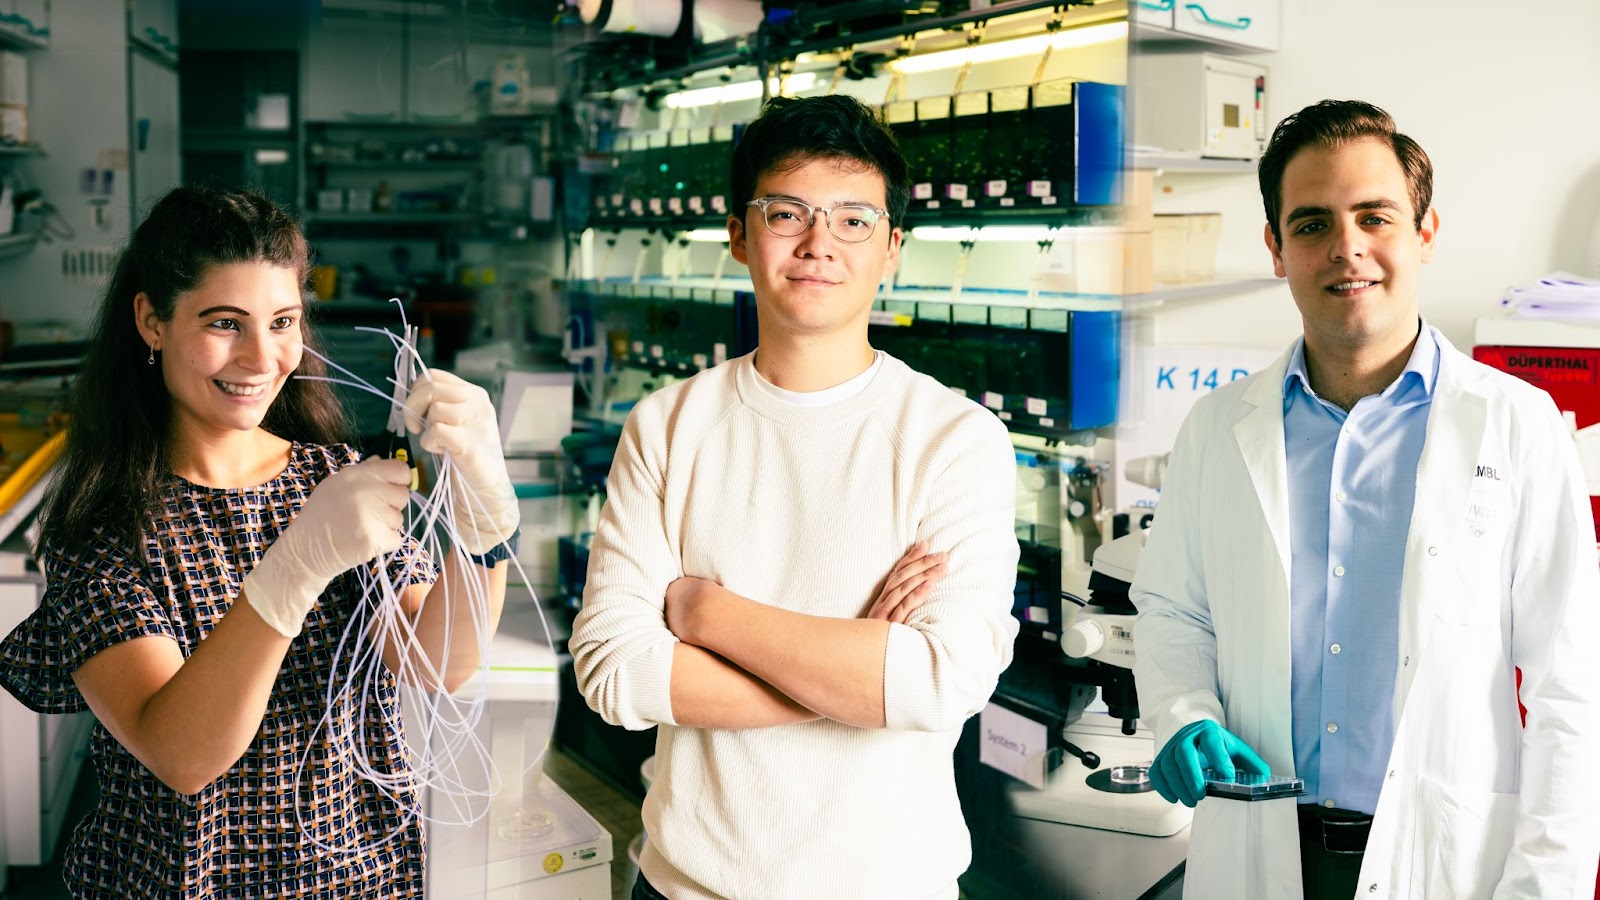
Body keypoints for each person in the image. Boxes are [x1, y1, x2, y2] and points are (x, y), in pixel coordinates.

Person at [1130, 99, 1600, 899]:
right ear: (1277, 250)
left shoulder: (1517, 425)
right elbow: (1175, 611)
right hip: (1256, 843)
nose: (1347, 249)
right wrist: (1183, 713)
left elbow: (1571, 686)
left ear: (1424, 231)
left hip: (1444, 857)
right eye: (1311, 224)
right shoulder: (1216, 429)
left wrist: (1545, 884)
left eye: (1374, 216)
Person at [0, 186, 522, 898]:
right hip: (181, 882)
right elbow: (181, 754)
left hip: (361, 876)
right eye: (225, 322)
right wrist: (292, 572)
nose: (260, 357)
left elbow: (436, 663)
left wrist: (484, 529)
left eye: (282, 322)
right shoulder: (105, 524)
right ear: (152, 321)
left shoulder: (332, 476)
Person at [569, 94, 1020, 899]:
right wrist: (851, 673)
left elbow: (942, 680)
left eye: (853, 220)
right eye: (788, 213)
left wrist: (710, 618)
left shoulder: (955, 439)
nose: (819, 244)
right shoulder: (669, 424)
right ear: (740, 235)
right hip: (684, 886)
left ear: (891, 250)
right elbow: (614, 671)